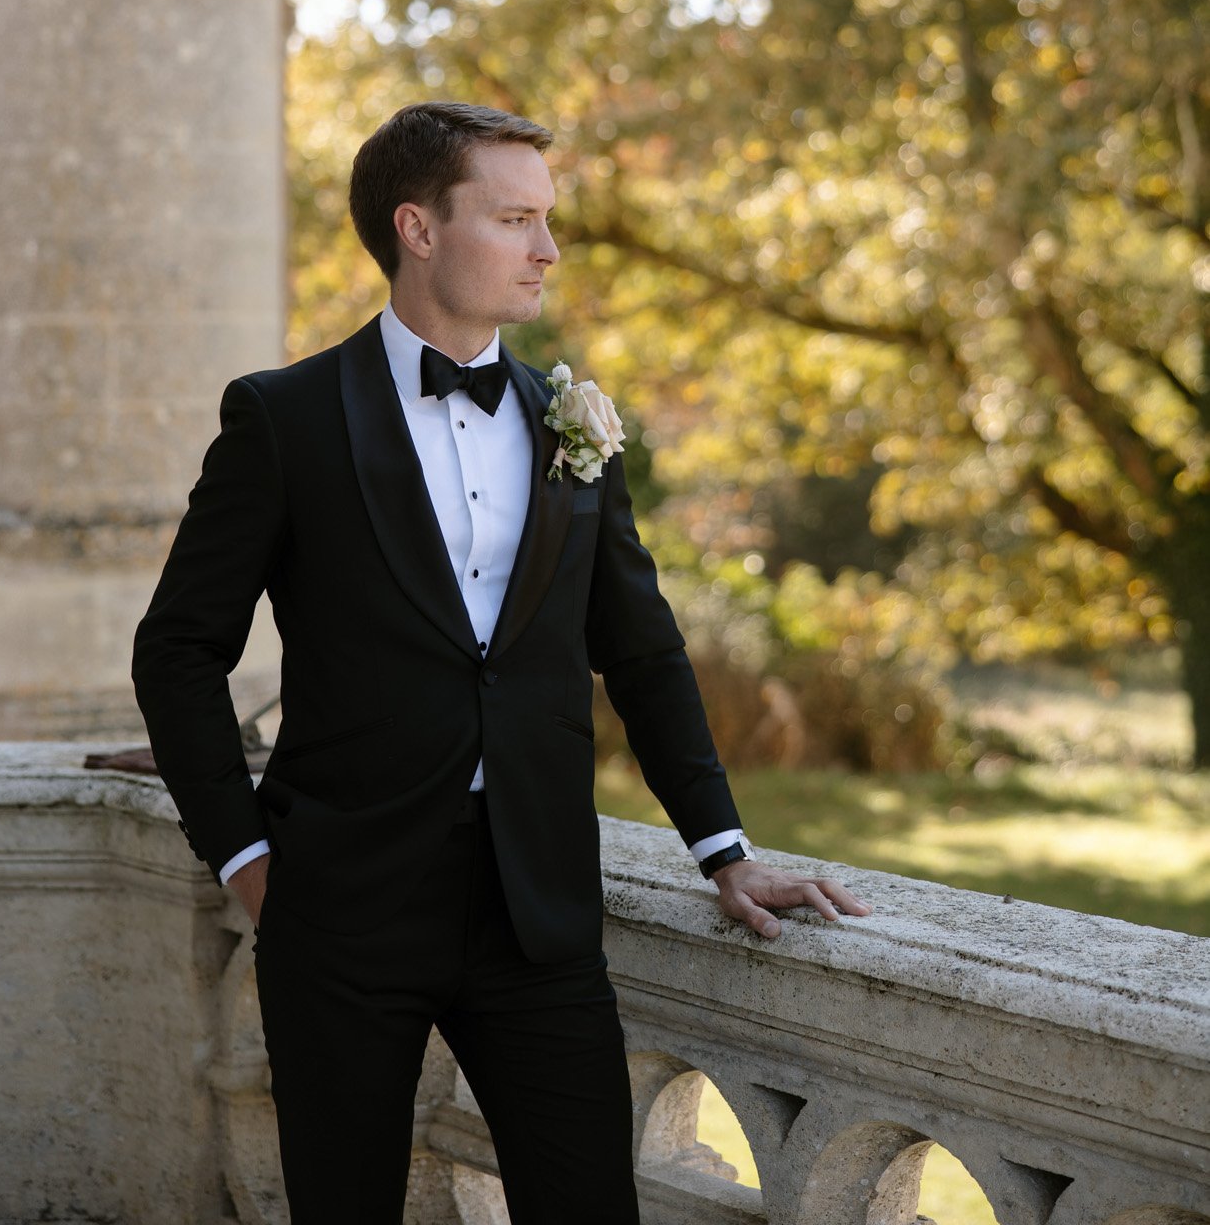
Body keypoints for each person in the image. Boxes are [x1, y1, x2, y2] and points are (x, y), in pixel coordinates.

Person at [131, 101, 871, 1223]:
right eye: (517, 217)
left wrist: (723, 848)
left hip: (535, 904)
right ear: (417, 227)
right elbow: (177, 648)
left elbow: (641, 645)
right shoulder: (283, 418)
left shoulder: (573, 420)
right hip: (341, 905)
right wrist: (240, 851)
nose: (548, 249)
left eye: (547, 220)